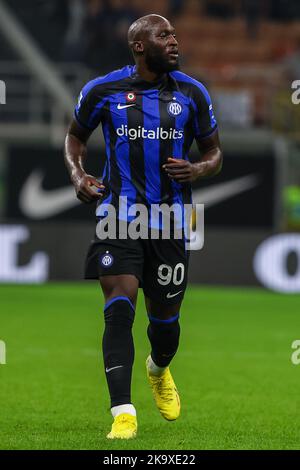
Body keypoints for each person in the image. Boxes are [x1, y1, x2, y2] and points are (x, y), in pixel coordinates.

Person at [64, 13, 222, 439]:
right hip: (119, 214)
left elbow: (214, 152)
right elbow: (75, 137)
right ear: (139, 46)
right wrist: (78, 175)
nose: (174, 40)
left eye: (174, 34)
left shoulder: (192, 92)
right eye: (164, 35)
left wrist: (198, 169)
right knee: (120, 300)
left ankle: (158, 368)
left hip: (171, 220)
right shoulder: (103, 90)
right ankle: (123, 413)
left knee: (166, 323)